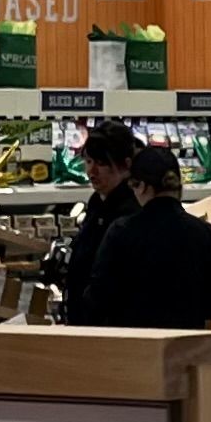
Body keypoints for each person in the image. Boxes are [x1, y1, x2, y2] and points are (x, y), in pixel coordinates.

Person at [68, 142, 211, 328]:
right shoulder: (206, 233)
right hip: (186, 347)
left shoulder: (121, 232)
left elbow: (97, 299)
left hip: (133, 347)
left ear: (142, 187)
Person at [57, 119, 143, 299]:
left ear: (126, 165)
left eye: (102, 163)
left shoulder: (131, 211)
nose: (91, 171)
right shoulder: (97, 200)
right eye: (88, 161)